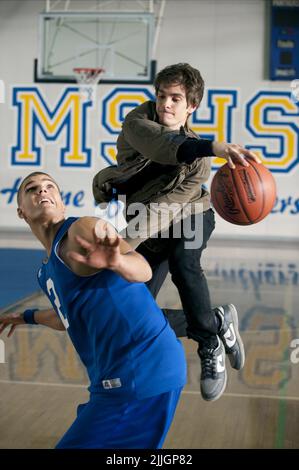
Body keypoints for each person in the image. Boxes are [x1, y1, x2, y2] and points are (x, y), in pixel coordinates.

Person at [93, 63, 260, 401]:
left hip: (192, 215)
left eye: (175, 98)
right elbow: (164, 147)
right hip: (148, 221)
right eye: (161, 96)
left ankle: (209, 345)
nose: (166, 104)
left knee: (185, 264)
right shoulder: (137, 123)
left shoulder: (200, 160)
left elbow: (165, 208)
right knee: (133, 313)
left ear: (191, 106)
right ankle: (214, 320)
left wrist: (124, 244)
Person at [0, 171, 187, 449]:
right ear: (21, 212)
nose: (42, 191)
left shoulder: (82, 229)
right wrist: (25, 316)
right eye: (32, 188)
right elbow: (65, 319)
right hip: (118, 378)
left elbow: (144, 270)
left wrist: (118, 263)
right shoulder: (45, 270)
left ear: (62, 204)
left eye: (50, 186)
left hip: (141, 371)